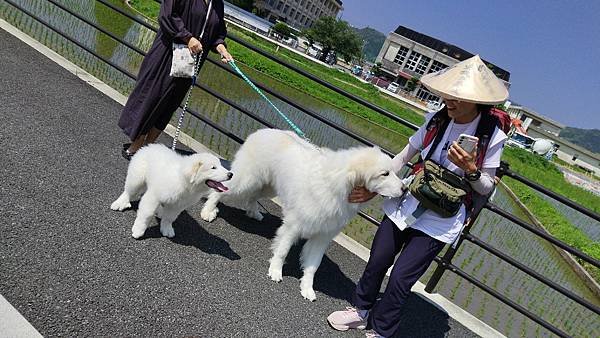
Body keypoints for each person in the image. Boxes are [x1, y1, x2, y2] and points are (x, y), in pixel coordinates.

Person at [327, 55, 510, 338]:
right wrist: (374, 186)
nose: (450, 101)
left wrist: (471, 170)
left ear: (478, 101)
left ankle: (382, 329)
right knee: (378, 259)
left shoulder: (491, 137)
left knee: (401, 278)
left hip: (441, 217)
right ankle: (361, 310)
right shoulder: (437, 120)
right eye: (447, 95)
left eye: (458, 98)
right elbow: (402, 157)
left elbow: (486, 187)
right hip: (408, 200)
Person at [119, 0, 233, 159]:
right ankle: (136, 144)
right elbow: (167, 16)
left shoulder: (217, 4)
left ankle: (149, 146)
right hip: (166, 55)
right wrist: (188, 38)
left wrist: (222, 49)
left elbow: (217, 32)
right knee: (152, 97)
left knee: (170, 103)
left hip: (188, 63)